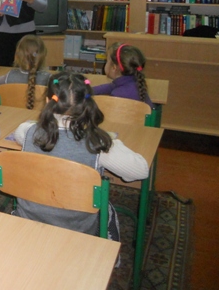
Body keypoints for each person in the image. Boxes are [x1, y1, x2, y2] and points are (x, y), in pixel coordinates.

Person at [13, 72, 149, 240]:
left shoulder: (27, 132)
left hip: (28, 220)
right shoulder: (98, 143)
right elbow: (141, 170)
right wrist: (113, 142)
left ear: (48, 101)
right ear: (88, 103)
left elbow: (21, 134)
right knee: (104, 207)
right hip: (78, 230)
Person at [0, 34, 52, 109]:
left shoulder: (10, 75)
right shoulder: (49, 78)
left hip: (13, 114)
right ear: (43, 57)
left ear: (17, 56)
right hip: (40, 116)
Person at [93, 43, 153, 109]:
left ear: (114, 68)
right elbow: (109, 87)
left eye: (106, 61)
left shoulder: (118, 95)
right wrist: (87, 90)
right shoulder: (133, 82)